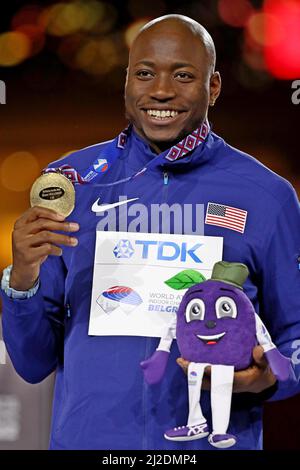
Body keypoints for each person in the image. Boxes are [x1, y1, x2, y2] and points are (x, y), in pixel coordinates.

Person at [1, 14, 300, 450]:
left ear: (213, 87)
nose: (161, 91)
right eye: (145, 73)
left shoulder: (266, 196)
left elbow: (295, 335)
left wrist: (268, 378)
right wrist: (22, 278)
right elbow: (31, 363)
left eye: (183, 75)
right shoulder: (74, 183)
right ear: (126, 82)